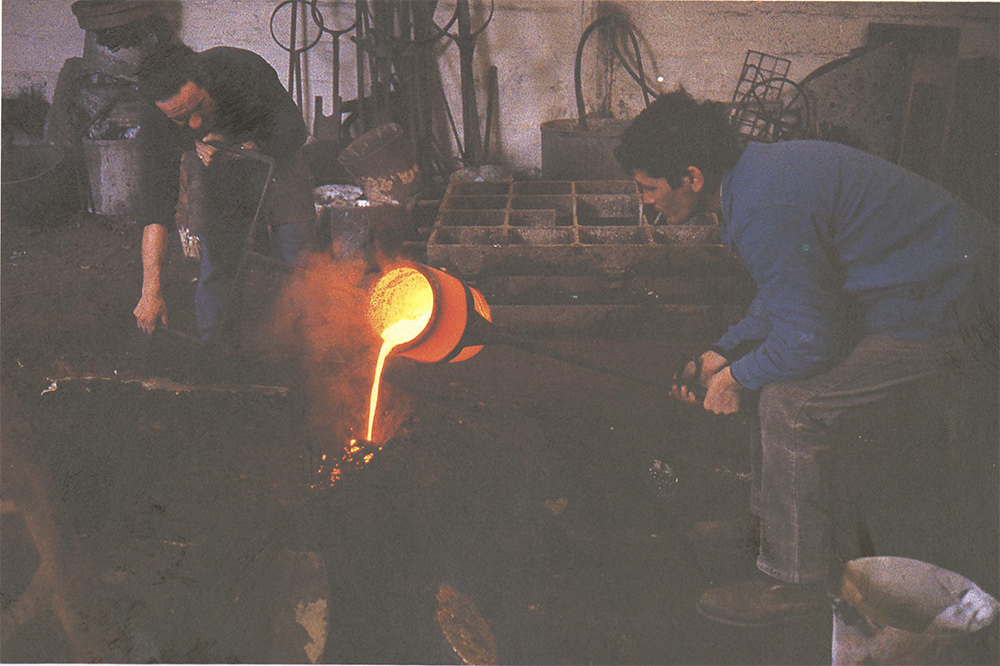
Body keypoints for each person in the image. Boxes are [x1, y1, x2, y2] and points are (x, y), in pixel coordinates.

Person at [616, 90, 998, 626]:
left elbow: (809, 339)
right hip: (912, 288)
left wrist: (738, 377)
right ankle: (771, 529)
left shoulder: (764, 206)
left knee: (792, 404)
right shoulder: (754, 177)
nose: (646, 202)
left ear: (693, 177)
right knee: (770, 382)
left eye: (649, 188)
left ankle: (791, 581)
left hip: (952, 305)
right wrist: (721, 353)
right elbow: (790, 289)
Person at [133, 42, 316, 342]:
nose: (192, 122)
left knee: (299, 251)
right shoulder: (156, 118)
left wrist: (252, 146)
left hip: (275, 153)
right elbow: (155, 205)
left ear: (207, 82)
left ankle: (314, 348)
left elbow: (294, 128)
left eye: (197, 108)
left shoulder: (242, 69)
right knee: (219, 258)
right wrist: (150, 292)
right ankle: (215, 350)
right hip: (218, 167)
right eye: (180, 119)